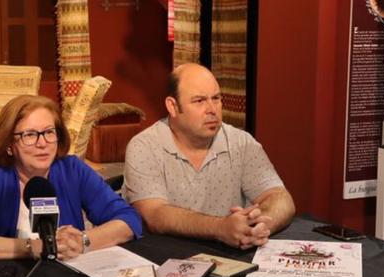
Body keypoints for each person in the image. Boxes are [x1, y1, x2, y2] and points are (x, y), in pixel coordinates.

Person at [0, 95, 141, 260]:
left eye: (48, 132)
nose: (42, 143)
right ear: (9, 145)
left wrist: (82, 242)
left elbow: (129, 220)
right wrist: (34, 247)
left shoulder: (71, 169)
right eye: (29, 135)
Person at [124, 63, 295, 249]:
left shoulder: (241, 142)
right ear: (172, 106)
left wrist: (259, 224)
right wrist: (220, 228)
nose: (212, 109)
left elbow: (280, 197)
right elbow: (154, 215)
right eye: (199, 101)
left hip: (228, 256)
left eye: (216, 98)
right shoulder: (144, 146)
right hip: (165, 255)